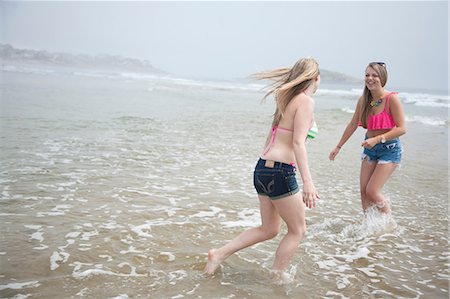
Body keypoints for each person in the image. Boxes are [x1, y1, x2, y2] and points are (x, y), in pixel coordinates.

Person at [204, 57, 321, 280]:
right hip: (280, 171)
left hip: (263, 168)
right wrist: (308, 181)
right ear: (315, 78)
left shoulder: (285, 99)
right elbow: (298, 143)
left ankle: (218, 254)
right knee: (297, 231)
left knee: (269, 229)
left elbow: (272, 136)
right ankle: (276, 279)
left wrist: (268, 167)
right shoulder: (305, 101)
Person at [329, 62, 406, 214]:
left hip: (389, 150)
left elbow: (402, 128)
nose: (370, 78)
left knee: (372, 191)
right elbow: (352, 124)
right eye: (367, 75)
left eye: (374, 75)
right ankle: (369, 228)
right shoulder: (364, 100)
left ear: (382, 78)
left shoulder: (391, 99)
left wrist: (377, 139)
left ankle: (389, 223)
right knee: (364, 192)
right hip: (370, 150)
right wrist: (338, 147)